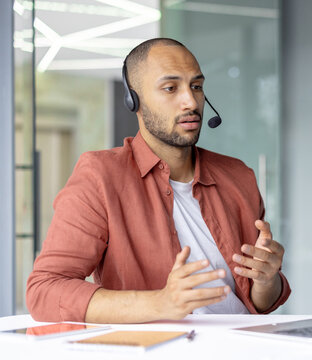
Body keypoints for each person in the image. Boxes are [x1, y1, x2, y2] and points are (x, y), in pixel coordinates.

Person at [26, 38, 291, 323]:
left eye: (197, 86)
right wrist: (159, 303)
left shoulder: (239, 176)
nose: (190, 101)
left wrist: (266, 280)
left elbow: (260, 303)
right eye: (170, 88)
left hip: (246, 345)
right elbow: (44, 290)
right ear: (134, 100)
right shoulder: (100, 176)